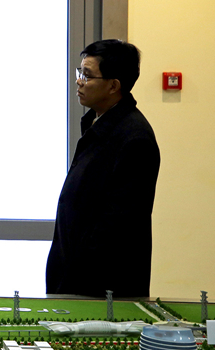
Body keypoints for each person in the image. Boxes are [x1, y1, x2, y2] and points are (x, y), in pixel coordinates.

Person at [46, 39, 160, 298]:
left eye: (87, 75)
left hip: (100, 285)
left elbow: (118, 224)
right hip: (74, 275)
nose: (79, 81)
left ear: (113, 86)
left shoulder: (134, 138)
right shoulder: (96, 123)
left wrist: (75, 275)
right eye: (80, 72)